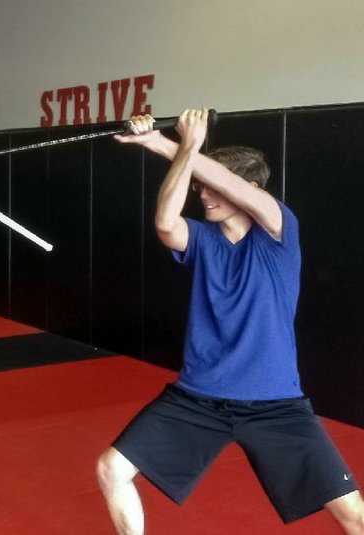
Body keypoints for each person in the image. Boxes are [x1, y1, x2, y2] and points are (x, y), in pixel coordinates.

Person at [97, 108, 364, 534]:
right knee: (112, 469)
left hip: (275, 404)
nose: (204, 196)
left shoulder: (279, 231)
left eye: (213, 188)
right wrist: (167, 146)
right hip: (198, 398)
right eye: (201, 188)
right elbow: (166, 223)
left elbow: (228, 183)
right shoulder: (202, 240)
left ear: (249, 190)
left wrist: (172, 144)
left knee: (354, 515)